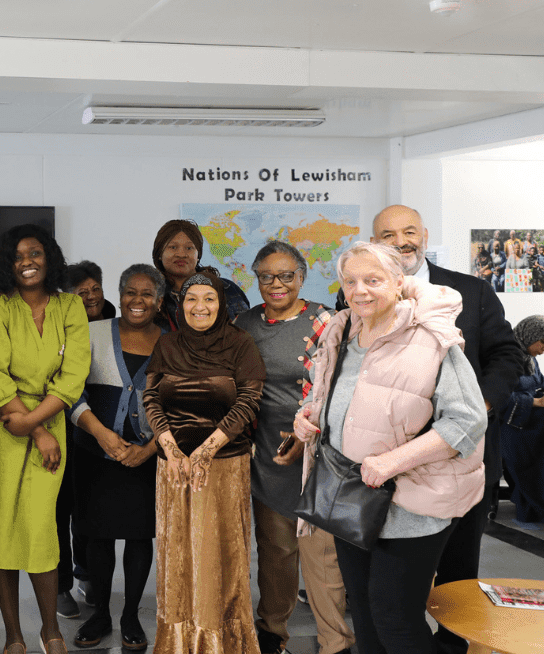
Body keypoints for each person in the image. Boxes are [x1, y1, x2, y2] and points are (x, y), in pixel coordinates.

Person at [294, 242, 488, 654]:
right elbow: (332, 394)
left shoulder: (432, 337)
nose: (360, 290)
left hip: (412, 504)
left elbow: (468, 420)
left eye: (373, 280)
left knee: (395, 619)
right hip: (350, 496)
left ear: (400, 283)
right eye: (351, 281)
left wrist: (391, 461)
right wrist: (310, 416)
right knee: (364, 615)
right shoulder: (341, 330)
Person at [367, 205, 521, 654]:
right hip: (391, 462)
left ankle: (453, 649)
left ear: (425, 234)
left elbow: (507, 355)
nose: (401, 241)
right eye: (388, 234)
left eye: (409, 231)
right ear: (375, 243)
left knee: (458, 574)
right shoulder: (363, 295)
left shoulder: (471, 290)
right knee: (393, 579)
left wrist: (481, 404)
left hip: (463, 458)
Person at [0, 223, 91, 654]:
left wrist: (41, 424)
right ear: (9, 262)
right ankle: (13, 635)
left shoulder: (70, 307)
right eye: (19, 255)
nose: (27, 261)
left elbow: (73, 375)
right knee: (3, 529)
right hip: (5, 425)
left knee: (41, 528)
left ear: (50, 258)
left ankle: (50, 630)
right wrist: (33, 428)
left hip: (50, 420)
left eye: (36, 253)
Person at [234, 241, 353, 654]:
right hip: (270, 455)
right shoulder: (243, 326)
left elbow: (341, 389)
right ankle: (273, 632)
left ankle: (334, 640)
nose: (276, 284)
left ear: (302, 277)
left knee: (323, 557)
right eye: (266, 276)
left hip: (320, 455)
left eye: (286, 275)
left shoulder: (328, 321)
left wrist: (309, 431)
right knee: (276, 552)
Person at [143, 270, 265, 653]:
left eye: (209, 299)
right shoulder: (167, 344)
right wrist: (172, 448)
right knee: (178, 555)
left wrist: (207, 450)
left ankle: (221, 642)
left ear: (222, 304)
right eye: (192, 298)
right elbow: (151, 398)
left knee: (217, 556)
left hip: (223, 465)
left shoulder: (240, 344)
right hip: (174, 469)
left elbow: (248, 401)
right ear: (181, 305)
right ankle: (178, 641)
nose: (200, 306)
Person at [68, 264, 166, 651]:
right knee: (97, 534)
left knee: (140, 536)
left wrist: (149, 448)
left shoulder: (172, 342)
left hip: (146, 457)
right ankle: (100, 614)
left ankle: (129, 617)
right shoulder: (89, 333)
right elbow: (70, 391)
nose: (137, 301)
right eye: (130, 292)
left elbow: (177, 406)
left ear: (159, 301)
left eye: (146, 294)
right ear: (119, 295)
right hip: (94, 452)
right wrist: (102, 435)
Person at [55, 260, 114, 619]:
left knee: (91, 509)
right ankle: (61, 585)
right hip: (61, 426)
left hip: (99, 428)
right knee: (62, 510)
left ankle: (87, 574)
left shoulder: (114, 320)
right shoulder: (58, 322)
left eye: (95, 288)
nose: (91, 296)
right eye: (82, 292)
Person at [151, 219, 249, 330]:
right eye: (173, 247)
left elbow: (248, 335)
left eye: (189, 248)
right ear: (159, 253)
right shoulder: (149, 295)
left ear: (198, 254)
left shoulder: (227, 289)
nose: (182, 254)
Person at [500, 315, 544, 523]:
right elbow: (498, 397)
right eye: (543, 342)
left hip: (530, 423)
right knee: (531, 467)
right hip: (512, 426)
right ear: (530, 336)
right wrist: (534, 403)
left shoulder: (530, 359)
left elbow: (538, 384)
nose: (543, 348)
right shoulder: (506, 358)